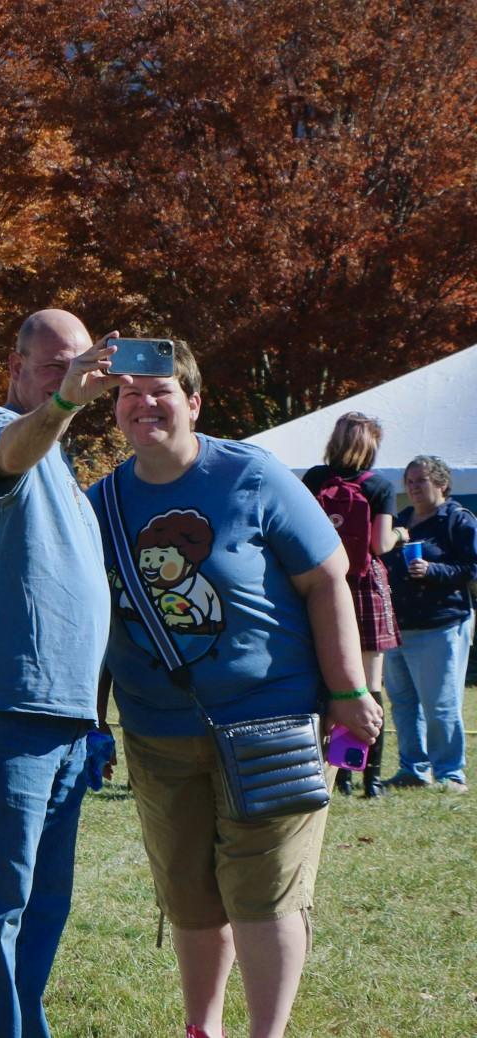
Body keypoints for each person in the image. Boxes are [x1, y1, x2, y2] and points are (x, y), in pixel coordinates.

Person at [91, 340, 382, 1038]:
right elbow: (91, 622)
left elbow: (327, 580)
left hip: (271, 723)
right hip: (160, 734)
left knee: (265, 893)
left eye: (161, 391)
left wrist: (346, 692)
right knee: (190, 896)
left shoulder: (251, 475)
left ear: (193, 403)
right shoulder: (97, 503)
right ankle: (202, 1028)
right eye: (129, 392)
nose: (144, 403)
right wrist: (89, 718)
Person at [0, 309, 123, 1038]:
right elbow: (14, 449)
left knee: (45, 907)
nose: (71, 376)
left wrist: (96, 720)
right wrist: (66, 399)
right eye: (53, 366)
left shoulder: (70, 475)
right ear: (15, 370)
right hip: (2, 709)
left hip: (68, 723)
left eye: (81, 365)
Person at [302, 412, 404, 796]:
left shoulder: (315, 478)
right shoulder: (379, 486)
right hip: (364, 587)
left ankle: (338, 772)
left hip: (323, 584)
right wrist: (399, 531)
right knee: (369, 684)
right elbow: (379, 545)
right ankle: (370, 778)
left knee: (331, 678)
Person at [383, 454, 477, 793]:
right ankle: (413, 769)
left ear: (442, 484)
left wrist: (433, 571)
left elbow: (472, 569)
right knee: (404, 703)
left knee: (440, 703)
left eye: (420, 481)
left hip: (442, 625)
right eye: (409, 481)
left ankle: (451, 774)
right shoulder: (404, 520)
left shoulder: (458, 520)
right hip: (399, 625)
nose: (413, 487)